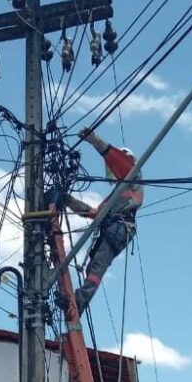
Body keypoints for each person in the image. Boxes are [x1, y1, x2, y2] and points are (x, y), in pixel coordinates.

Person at [63, 130, 143, 315]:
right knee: (94, 267)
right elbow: (95, 213)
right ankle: (79, 301)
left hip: (120, 228)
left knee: (97, 265)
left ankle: (80, 300)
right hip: (115, 229)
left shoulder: (134, 177)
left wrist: (94, 140)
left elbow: (120, 163)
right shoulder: (114, 197)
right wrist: (68, 201)